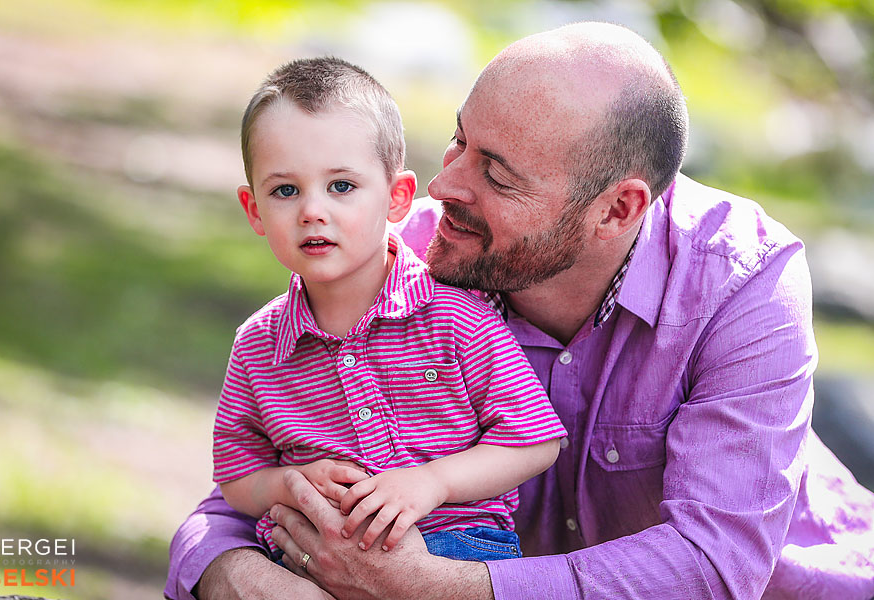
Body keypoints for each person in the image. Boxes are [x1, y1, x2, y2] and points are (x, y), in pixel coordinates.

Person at [166, 22, 874, 600]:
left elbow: (713, 567)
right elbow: (247, 492)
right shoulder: (417, 267)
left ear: (616, 210)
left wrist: (430, 586)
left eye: (496, 173)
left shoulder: (743, 286)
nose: (445, 183)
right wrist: (241, 579)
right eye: (459, 139)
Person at [207, 55, 567, 592]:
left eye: (342, 187)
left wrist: (432, 482)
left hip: (454, 554)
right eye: (285, 191)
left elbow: (534, 441)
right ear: (254, 209)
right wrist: (285, 484)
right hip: (307, 561)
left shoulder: (457, 318)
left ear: (398, 197)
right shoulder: (259, 347)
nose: (312, 211)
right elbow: (237, 475)